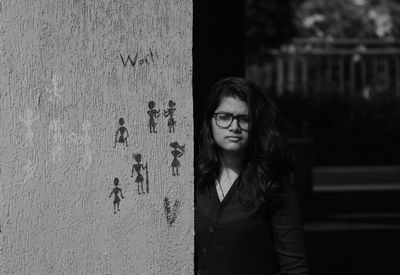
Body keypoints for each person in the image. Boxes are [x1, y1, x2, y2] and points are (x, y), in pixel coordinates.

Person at [195, 77, 309, 275]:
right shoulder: (195, 180)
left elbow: (295, 270)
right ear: (210, 121)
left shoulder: (274, 188)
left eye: (244, 119)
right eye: (224, 117)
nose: (234, 127)